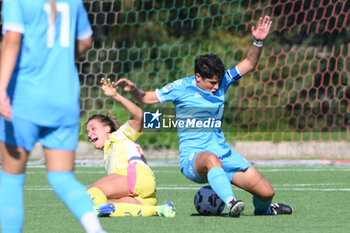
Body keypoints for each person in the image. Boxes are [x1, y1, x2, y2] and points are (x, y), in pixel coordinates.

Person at [114, 15, 293, 217]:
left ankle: (265, 210)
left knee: (266, 192)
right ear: (198, 77)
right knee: (210, 158)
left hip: (223, 155)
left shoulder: (222, 81)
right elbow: (146, 98)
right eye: (212, 83)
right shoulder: (181, 87)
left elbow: (249, 62)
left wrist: (258, 40)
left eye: (218, 83)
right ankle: (231, 202)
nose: (217, 87)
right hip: (194, 159)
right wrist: (132, 89)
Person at [0, 0, 105, 232]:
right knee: (61, 177)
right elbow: (86, 40)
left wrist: (0, 87)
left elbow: (11, 41)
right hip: (64, 98)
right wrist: (57, 58)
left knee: (10, 179)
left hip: (24, 98)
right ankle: (95, 229)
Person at [86, 78, 175, 217]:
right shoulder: (108, 154)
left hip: (136, 176)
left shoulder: (119, 135)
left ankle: (96, 208)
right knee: (112, 209)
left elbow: (139, 115)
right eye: (87, 132)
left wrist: (115, 96)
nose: (90, 134)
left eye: (93, 128)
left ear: (108, 127)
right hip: (147, 191)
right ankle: (158, 210)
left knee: (93, 192)